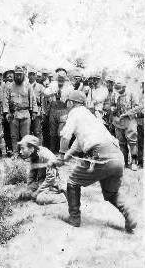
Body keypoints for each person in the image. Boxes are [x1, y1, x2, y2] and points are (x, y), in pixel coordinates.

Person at [58, 90, 136, 233]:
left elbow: (65, 136)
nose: (67, 105)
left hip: (101, 155)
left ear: (72, 102)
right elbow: (78, 143)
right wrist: (65, 157)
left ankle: (74, 218)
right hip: (117, 157)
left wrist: (60, 155)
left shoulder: (75, 113)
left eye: (68, 102)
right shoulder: (89, 116)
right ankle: (129, 215)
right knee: (111, 193)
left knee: (72, 182)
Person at [18, 135, 66, 205]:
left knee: (40, 199)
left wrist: (37, 192)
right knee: (24, 194)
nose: (20, 152)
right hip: (43, 181)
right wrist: (29, 189)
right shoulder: (34, 154)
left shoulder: (46, 156)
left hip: (55, 183)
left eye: (22, 149)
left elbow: (51, 179)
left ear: (31, 148)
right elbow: (32, 173)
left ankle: (62, 197)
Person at [5, 66, 38, 155]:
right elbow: (6, 101)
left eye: (20, 75)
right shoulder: (9, 86)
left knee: (25, 136)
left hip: (25, 114)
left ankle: (25, 154)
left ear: (23, 75)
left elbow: (33, 100)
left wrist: (34, 111)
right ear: (14, 75)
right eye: (16, 75)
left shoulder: (28, 86)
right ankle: (15, 153)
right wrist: (7, 113)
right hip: (14, 114)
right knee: (14, 135)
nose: (18, 77)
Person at [112, 80, 140, 170]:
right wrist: (113, 108)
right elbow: (112, 105)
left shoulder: (131, 94)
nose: (119, 91)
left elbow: (137, 107)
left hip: (129, 120)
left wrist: (126, 113)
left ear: (124, 87)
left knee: (132, 142)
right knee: (121, 142)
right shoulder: (115, 95)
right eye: (117, 90)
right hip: (118, 122)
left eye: (120, 89)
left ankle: (134, 162)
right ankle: (124, 162)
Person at [43, 69, 73, 153]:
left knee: (61, 132)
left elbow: (72, 97)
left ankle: (62, 151)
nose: (61, 79)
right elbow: (45, 93)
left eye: (62, 77)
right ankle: (53, 150)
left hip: (63, 110)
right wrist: (53, 92)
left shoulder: (69, 86)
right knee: (52, 132)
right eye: (59, 77)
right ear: (57, 77)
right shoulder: (53, 84)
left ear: (65, 78)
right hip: (53, 110)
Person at [28, 68, 44, 142]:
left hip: (37, 111)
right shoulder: (25, 85)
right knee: (27, 132)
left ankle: (40, 148)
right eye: (30, 74)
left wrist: (41, 112)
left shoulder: (40, 87)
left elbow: (43, 101)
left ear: (35, 76)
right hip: (27, 111)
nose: (31, 76)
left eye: (33, 74)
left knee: (37, 131)